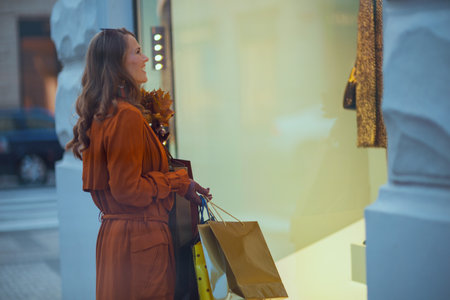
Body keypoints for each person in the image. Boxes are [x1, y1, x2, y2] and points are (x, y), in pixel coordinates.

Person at [66, 28, 212, 300]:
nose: (145, 58)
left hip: (116, 239)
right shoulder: (127, 116)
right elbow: (128, 190)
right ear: (116, 64)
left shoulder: (102, 113)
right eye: (136, 52)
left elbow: (120, 187)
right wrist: (177, 182)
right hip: (142, 241)